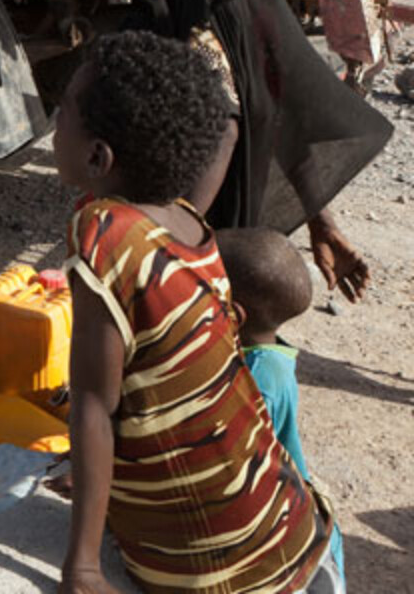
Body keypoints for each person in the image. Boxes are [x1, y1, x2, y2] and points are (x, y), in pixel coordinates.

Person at [57, 31, 339, 594]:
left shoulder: (105, 237)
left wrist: (83, 567)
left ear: (97, 156)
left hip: (213, 570)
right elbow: (225, 137)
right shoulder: (187, 224)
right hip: (286, 528)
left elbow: (94, 407)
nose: (53, 123)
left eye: (62, 113)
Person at [152, 0, 390, 302]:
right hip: (232, 227)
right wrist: (322, 222)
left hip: (194, 235)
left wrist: (171, 238)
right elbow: (287, 112)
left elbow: (223, 125)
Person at [218, 226, 347, 584]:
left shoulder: (256, 380)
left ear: (232, 313)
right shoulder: (263, 354)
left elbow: (230, 473)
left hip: (292, 542)